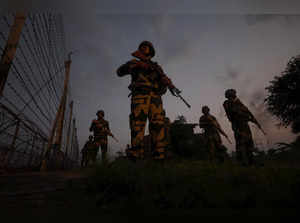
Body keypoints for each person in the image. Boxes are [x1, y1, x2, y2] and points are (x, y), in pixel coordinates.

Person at [117, 41, 176, 161]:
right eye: (142, 46)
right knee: (137, 125)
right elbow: (119, 72)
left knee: (158, 125)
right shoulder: (134, 62)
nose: (144, 47)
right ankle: (136, 156)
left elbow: (162, 85)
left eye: (147, 46)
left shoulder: (157, 67)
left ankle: (159, 156)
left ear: (151, 51)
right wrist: (135, 65)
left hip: (155, 97)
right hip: (140, 95)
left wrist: (166, 83)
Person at [223, 89, 264, 166]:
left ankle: (251, 160)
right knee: (240, 142)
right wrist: (247, 116)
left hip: (244, 124)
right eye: (232, 94)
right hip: (237, 125)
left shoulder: (239, 103)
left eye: (233, 94)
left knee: (249, 142)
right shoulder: (227, 103)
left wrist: (255, 121)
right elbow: (234, 112)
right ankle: (241, 162)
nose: (234, 95)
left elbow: (248, 112)